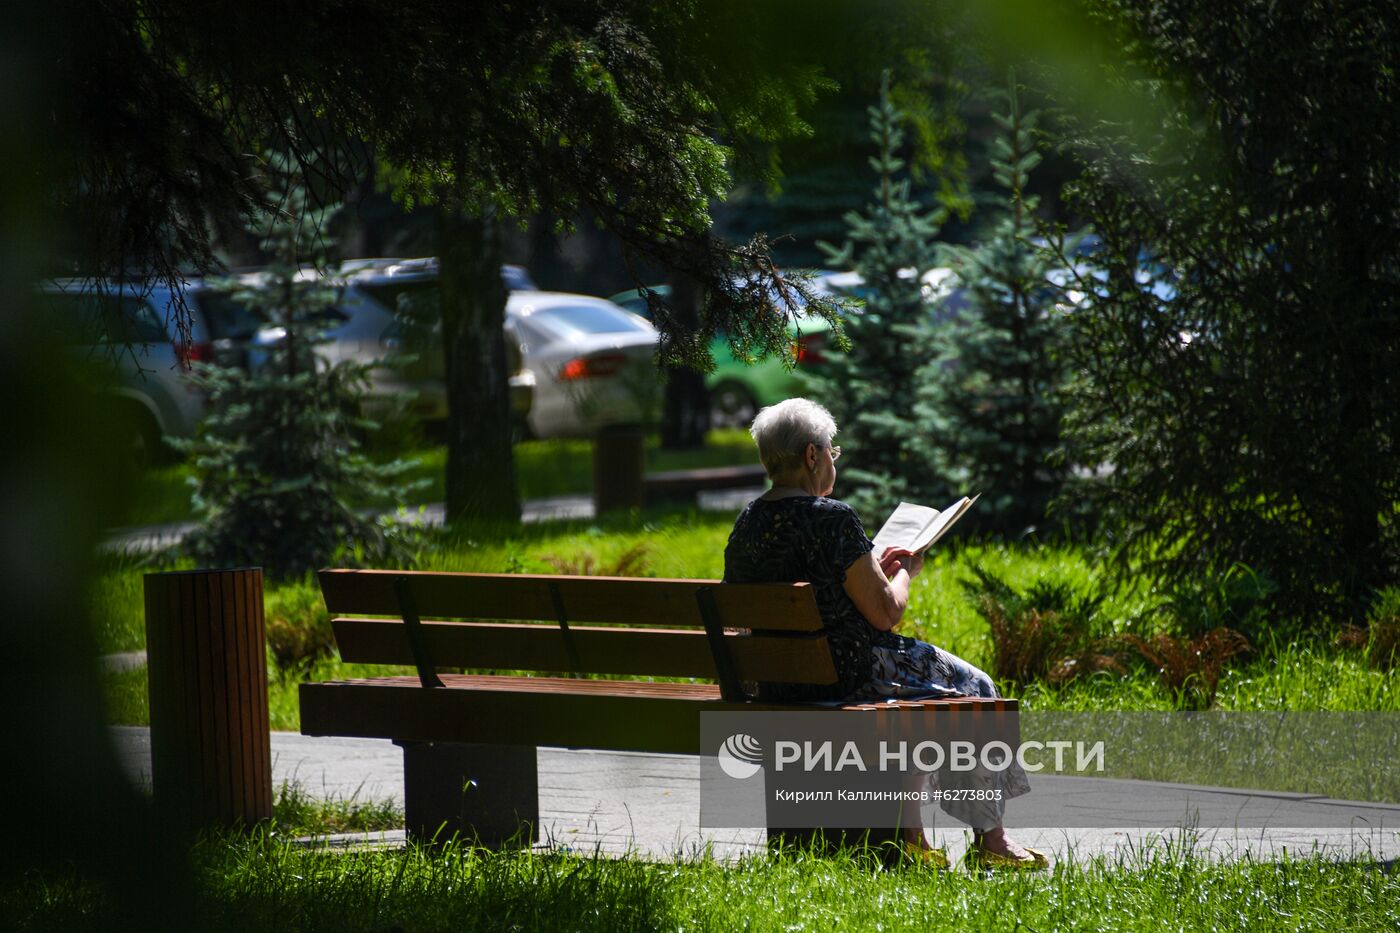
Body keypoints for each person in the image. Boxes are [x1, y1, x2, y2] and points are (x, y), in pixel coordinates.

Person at [723, 397, 1046, 870]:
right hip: (850, 672)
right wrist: (907, 571)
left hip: (777, 678)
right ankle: (990, 842)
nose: (834, 458)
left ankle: (911, 836)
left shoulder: (747, 523)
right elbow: (884, 613)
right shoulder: (832, 517)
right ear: (812, 455)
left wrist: (873, 566)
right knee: (977, 689)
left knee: (917, 703)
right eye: (832, 450)